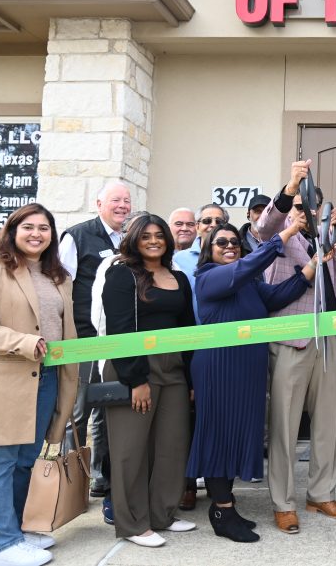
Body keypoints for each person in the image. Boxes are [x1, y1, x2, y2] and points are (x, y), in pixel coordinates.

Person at [0, 203, 79, 566]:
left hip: (46, 378)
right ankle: (1, 546)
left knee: (25, 461)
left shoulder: (58, 276)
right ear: (13, 231)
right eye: (28, 227)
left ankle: (16, 532)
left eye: (44, 228)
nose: (36, 234)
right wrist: (24, 342)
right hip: (4, 380)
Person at [188, 214, 322, 543]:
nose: (230, 246)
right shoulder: (208, 277)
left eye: (235, 242)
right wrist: (287, 233)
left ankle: (227, 506)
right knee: (219, 436)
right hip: (219, 368)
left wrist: (313, 266)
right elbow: (245, 267)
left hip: (247, 370)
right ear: (208, 248)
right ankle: (221, 511)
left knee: (237, 434)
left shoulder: (247, 282)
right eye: (221, 242)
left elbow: (278, 296)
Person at [256, 159, 336, 535]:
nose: (305, 213)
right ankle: (283, 503)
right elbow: (263, 227)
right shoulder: (279, 234)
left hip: (329, 339)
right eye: (299, 207)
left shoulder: (328, 234)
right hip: (291, 338)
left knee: (328, 423)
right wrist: (291, 189)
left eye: (311, 207)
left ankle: (321, 494)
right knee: (285, 425)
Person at [102, 214, 197, 548]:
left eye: (159, 235)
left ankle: (162, 514)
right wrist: (136, 379)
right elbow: (119, 330)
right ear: (134, 240)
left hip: (174, 371)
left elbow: (187, 330)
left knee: (172, 445)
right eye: (146, 236)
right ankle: (132, 523)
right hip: (135, 369)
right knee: (130, 450)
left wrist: (190, 378)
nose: (154, 241)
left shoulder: (179, 277)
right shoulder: (121, 274)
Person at [58, 181, 131, 503]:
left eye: (127, 201)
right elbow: (61, 287)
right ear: (99, 203)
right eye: (116, 200)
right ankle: (69, 484)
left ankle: (100, 477)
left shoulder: (127, 239)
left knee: (105, 408)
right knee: (78, 413)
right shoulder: (77, 236)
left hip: (116, 340)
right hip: (85, 339)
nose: (123, 206)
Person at [172, 203, 230, 319]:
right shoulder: (178, 259)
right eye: (207, 221)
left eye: (219, 221)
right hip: (191, 326)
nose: (213, 225)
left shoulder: (232, 257)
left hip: (226, 325)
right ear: (197, 226)